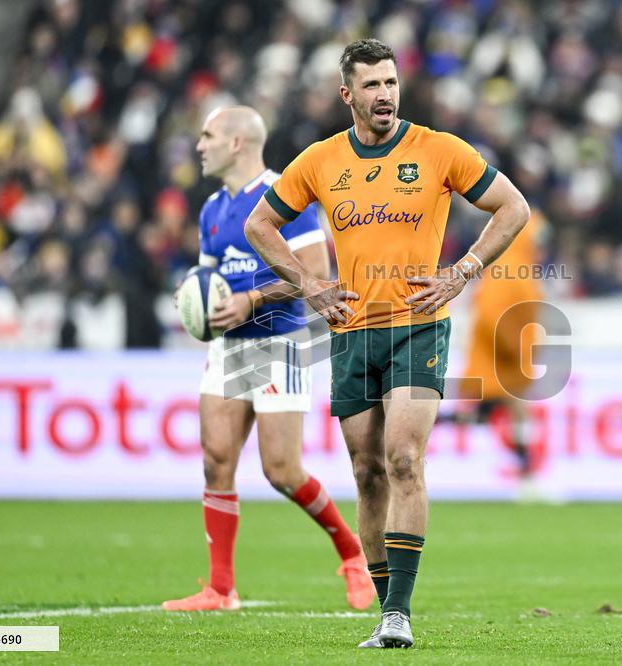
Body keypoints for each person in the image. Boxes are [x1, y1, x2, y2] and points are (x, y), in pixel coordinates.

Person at [244, 39, 530, 648]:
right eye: (371, 85)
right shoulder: (321, 161)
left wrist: (462, 271)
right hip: (352, 330)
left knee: (403, 458)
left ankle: (399, 614)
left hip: (418, 323)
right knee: (367, 470)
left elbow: (513, 207)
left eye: (391, 83)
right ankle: (385, 611)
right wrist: (309, 284)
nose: (384, 94)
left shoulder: (439, 150)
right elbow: (259, 224)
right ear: (347, 94)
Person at [162, 106, 374, 613]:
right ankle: (220, 589)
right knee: (215, 461)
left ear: (237, 143)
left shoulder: (286, 195)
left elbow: (314, 274)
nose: (200, 146)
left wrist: (251, 300)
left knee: (282, 470)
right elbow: (208, 278)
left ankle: (352, 552)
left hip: (277, 343)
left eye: (208, 136)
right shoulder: (212, 208)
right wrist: (194, 300)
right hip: (229, 345)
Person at [458, 210, 548, 496]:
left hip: (501, 361)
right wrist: (515, 349)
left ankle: (527, 475)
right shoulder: (509, 269)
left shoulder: (516, 267)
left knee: (480, 416)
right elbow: (490, 315)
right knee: (517, 413)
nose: (542, 245)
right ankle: (528, 476)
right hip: (501, 362)